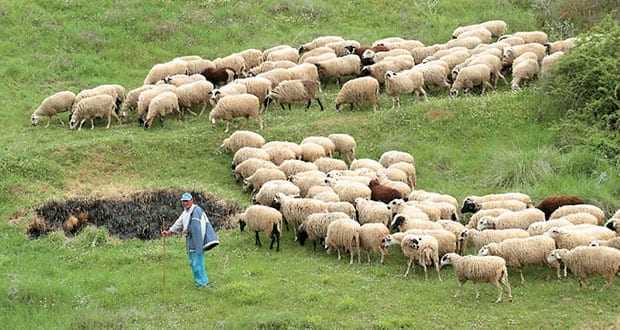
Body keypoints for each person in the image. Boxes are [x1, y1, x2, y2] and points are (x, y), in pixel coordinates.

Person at [161, 192, 211, 288]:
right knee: (193, 262)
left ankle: (203, 283)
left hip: (197, 240)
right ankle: (199, 282)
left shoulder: (196, 210)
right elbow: (178, 223)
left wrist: (190, 231)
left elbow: (199, 226)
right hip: (189, 240)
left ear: (191, 201)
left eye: (187, 201)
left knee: (198, 262)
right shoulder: (185, 212)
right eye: (183, 201)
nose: (185, 203)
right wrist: (169, 232)